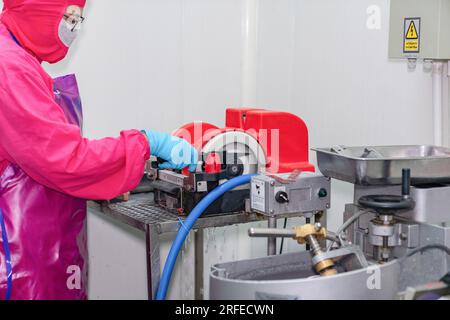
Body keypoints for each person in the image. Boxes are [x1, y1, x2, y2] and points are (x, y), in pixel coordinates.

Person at [0, 0, 198, 300]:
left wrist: (116, 168)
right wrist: (146, 143)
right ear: (37, 7)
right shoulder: (9, 68)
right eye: (69, 17)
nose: (72, 29)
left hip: (37, 248)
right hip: (18, 260)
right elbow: (66, 159)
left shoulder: (20, 59)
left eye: (78, 20)